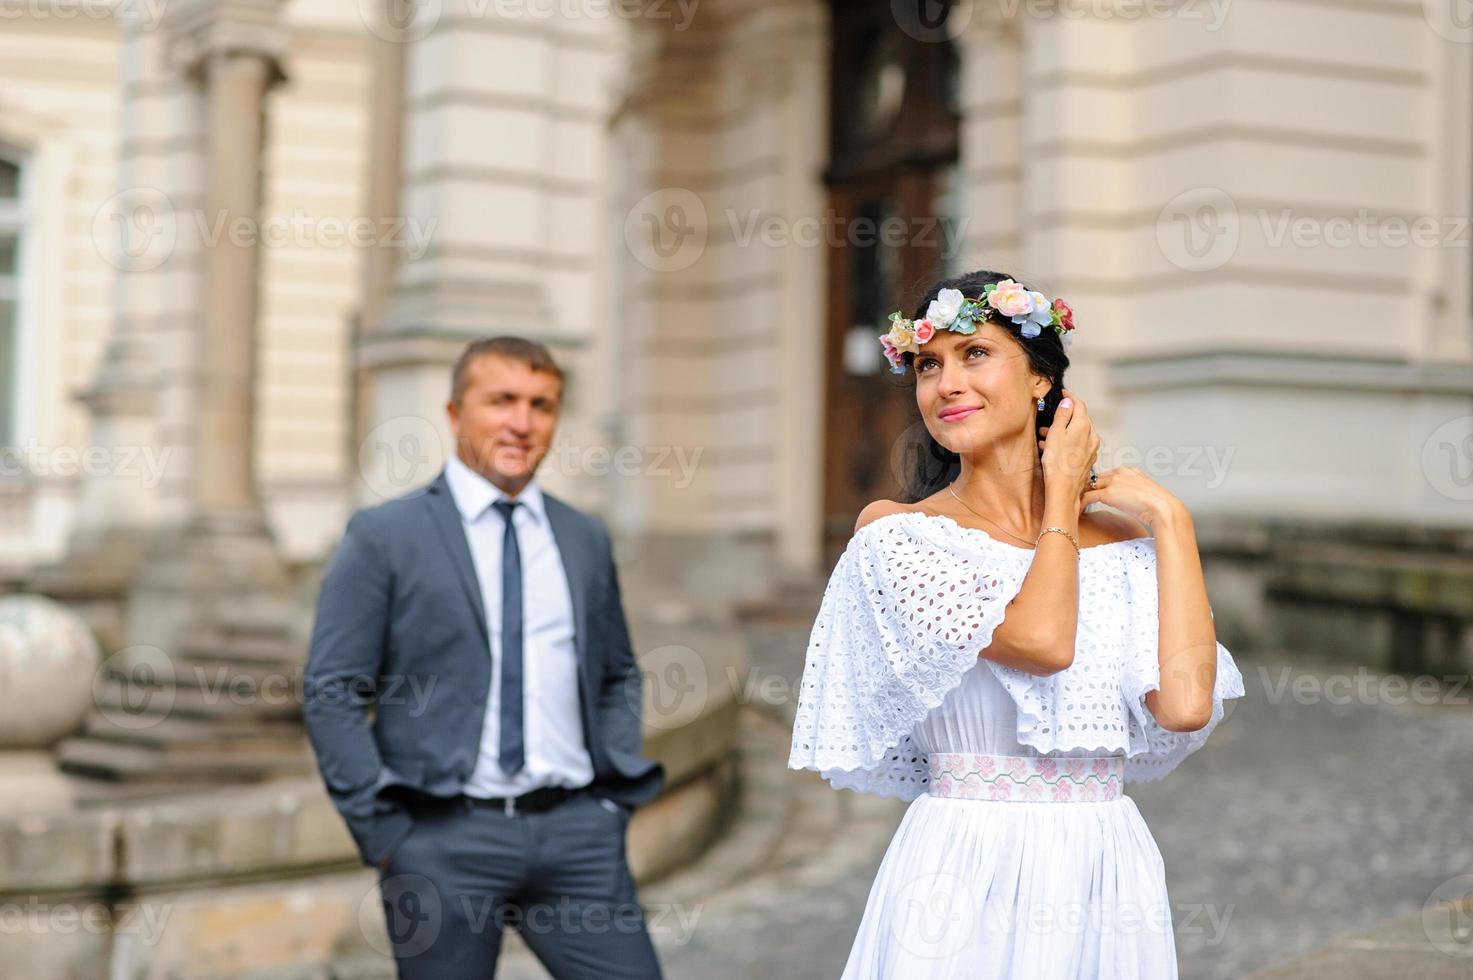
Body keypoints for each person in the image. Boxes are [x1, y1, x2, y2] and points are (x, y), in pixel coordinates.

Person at [788, 270, 1246, 978]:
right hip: (963, 861)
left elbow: (1183, 707)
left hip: (1103, 863)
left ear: (1040, 381)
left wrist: (1170, 524)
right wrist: (1061, 496)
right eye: (927, 365)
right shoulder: (900, 536)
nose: (944, 384)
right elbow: (1041, 642)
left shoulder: (1129, 546)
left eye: (974, 354)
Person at [303, 336, 666, 979]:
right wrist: (388, 837)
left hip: (577, 837)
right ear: (453, 413)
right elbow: (333, 688)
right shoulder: (385, 536)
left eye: (542, 405)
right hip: (442, 841)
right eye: (501, 401)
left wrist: (609, 805)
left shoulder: (582, 537)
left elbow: (615, 674)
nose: (522, 423)